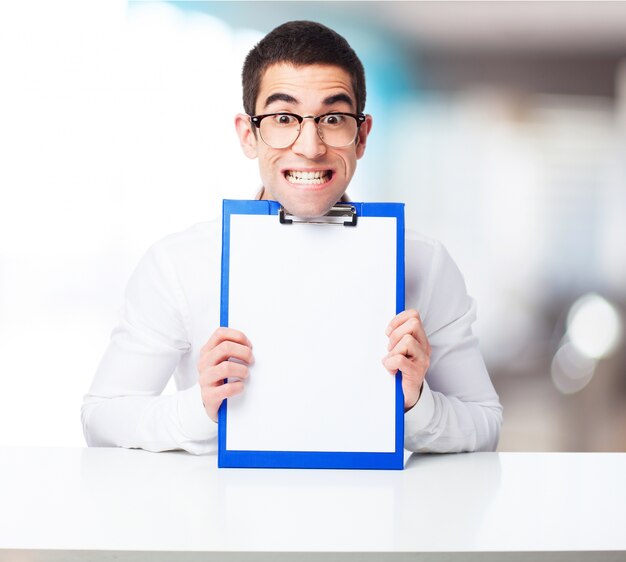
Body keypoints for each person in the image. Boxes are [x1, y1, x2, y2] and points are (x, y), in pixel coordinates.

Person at [82, 20, 502, 455]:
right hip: (219, 519)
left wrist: (416, 404)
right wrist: (201, 406)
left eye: (334, 118)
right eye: (284, 117)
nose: (310, 146)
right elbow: (101, 419)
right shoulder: (178, 263)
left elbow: (485, 423)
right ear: (249, 134)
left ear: (361, 136)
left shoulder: (424, 262)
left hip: (373, 515)